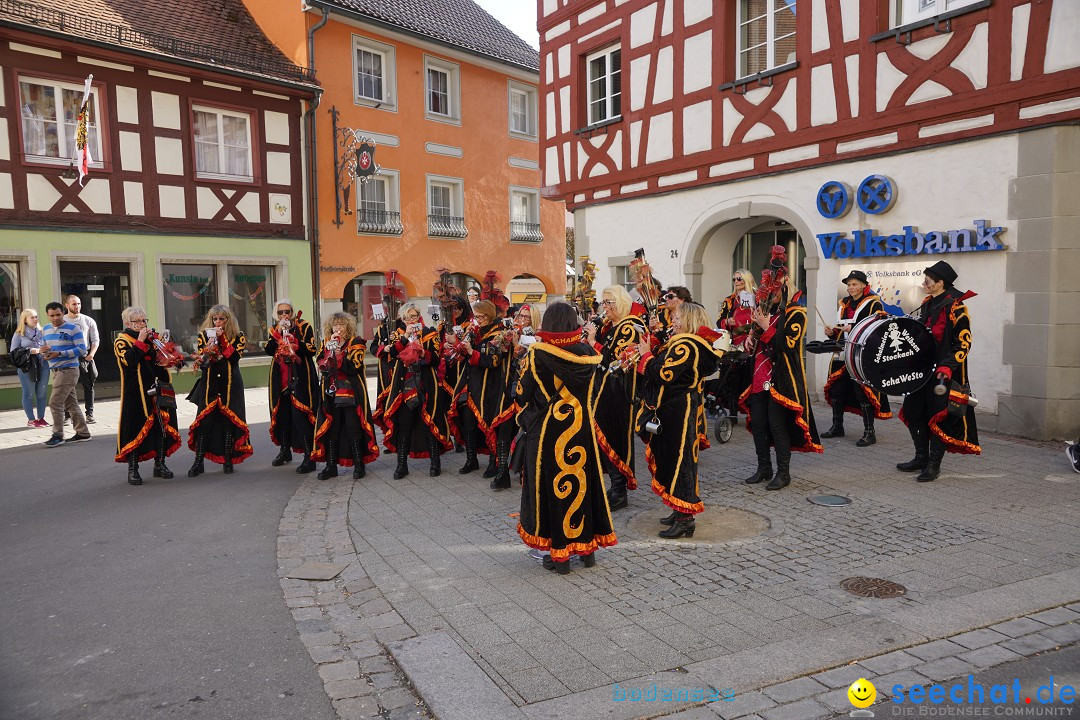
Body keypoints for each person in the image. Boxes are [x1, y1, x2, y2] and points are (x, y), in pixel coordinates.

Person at [516, 302, 616, 574]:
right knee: (584, 484)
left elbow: (520, 393)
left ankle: (558, 557)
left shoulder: (537, 354)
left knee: (551, 489)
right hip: (581, 428)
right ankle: (587, 551)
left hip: (549, 432)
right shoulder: (588, 353)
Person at [630, 302, 722, 538]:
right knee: (671, 459)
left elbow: (664, 373)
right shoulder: (683, 343)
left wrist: (646, 356)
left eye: (678, 318)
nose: (673, 321)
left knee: (679, 462)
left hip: (677, 411)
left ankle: (685, 519)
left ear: (690, 320)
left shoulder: (687, 345)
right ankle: (677, 508)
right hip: (674, 409)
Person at [898, 260, 980, 482]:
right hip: (923, 371)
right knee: (914, 411)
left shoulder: (957, 307)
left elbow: (964, 343)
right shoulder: (927, 304)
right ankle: (920, 457)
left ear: (940, 283)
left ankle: (933, 465)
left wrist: (947, 366)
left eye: (928, 280)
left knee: (938, 417)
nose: (924, 283)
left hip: (944, 373)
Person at [739, 276, 823, 491]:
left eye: (774, 292)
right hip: (760, 376)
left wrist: (766, 327)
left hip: (780, 378)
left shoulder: (796, 313)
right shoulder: (766, 310)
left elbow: (788, 345)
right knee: (758, 423)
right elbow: (760, 341)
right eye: (767, 291)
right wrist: (751, 338)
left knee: (777, 425)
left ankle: (783, 473)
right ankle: (764, 467)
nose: (769, 295)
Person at [374, 303, 453, 479]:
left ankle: (435, 463)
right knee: (404, 425)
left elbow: (436, 358)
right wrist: (406, 337)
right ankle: (401, 465)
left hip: (425, 382)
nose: (412, 320)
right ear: (403, 319)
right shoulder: (397, 334)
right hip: (404, 384)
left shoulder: (429, 332)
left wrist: (423, 353)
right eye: (408, 317)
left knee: (429, 423)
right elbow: (392, 354)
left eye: (415, 316)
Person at [584, 285, 645, 511]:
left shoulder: (629, 327)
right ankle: (614, 486)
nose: (605, 307)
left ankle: (620, 491)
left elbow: (614, 360)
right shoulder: (611, 326)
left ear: (620, 303)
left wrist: (593, 342)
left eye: (609, 302)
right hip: (603, 388)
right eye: (604, 302)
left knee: (615, 438)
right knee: (604, 438)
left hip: (618, 392)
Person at [448, 300, 516, 487]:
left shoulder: (500, 332)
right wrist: (458, 346)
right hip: (472, 382)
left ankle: (496, 464)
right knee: (468, 422)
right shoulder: (475, 330)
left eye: (480, 316)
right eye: (475, 316)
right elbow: (464, 354)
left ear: (489, 315)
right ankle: (472, 459)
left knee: (490, 422)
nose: (477, 320)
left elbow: (492, 361)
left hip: (492, 385)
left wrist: (471, 352)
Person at [821, 270, 892, 446]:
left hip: (862, 354)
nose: (851, 288)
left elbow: (878, 328)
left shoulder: (874, 305)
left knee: (862, 391)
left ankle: (870, 432)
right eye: (849, 285)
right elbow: (840, 328)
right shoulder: (844, 304)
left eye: (854, 284)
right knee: (836, 389)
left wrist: (853, 329)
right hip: (842, 351)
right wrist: (833, 332)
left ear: (863, 285)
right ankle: (837, 426)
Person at [114, 306, 182, 485]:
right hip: (136, 392)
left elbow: (166, 356)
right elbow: (129, 360)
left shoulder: (153, 337)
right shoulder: (121, 341)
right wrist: (141, 341)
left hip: (158, 387)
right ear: (129, 323)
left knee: (161, 425)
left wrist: (171, 355)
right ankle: (133, 469)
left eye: (145, 320)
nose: (144, 324)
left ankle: (160, 464)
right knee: (135, 428)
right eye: (140, 321)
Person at [313, 312, 380, 480]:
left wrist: (338, 353)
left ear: (348, 326)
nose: (338, 328)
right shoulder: (326, 343)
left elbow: (354, 367)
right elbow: (321, 363)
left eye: (342, 325)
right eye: (335, 325)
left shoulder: (355, 343)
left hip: (350, 392)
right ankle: (331, 466)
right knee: (332, 428)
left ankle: (359, 464)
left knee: (353, 427)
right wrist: (329, 354)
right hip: (331, 392)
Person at [187, 305, 252, 476]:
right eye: (215, 319)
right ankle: (198, 461)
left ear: (228, 320)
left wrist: (222, 340)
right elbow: (203, 359)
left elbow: (235, 358)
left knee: (228, 423)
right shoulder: (203, 335)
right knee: (204, 423)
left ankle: (228, 461)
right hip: (210, 385)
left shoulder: (238, 336)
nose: (217, 322)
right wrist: (208, 349)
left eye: (221, 319)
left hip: (230, 384)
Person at [265, 299, 320, 473]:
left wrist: (296, 344)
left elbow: (312, 349)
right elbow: (268, 350)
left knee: (301, 416)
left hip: (300, 376)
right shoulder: (274, 330)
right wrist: (279, 334)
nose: (284, 315)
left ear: (293, 312)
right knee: (282, 415)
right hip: (280, 378)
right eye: (280, 312)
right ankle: (284, 450)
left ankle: (309, 456)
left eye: (287, 311)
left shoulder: (304, 326)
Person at [41, 302, 90, 447]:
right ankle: (83, 432)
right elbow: (46, 349)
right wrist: (45, 353)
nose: (55, 318)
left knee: (55, 402)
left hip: (68, 369)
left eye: (58, 314)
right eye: (52, 315)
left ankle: (58, 435)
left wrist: (60, 353)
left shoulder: (73, 328)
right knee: (71, 404)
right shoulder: (46, 329)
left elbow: (82, 349)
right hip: (55, 371)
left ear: (63, 313)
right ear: (48, 315)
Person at [64, 295, 100, 424]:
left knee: (88, 386)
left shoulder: (88, 320)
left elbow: (95, 339)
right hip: (68, 358)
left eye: (78, 304)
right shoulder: (62, 321)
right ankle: (67, 415)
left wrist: (91, 355)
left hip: (84, 357)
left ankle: (89, 414)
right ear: (67, 305)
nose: (77, 306)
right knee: (68, 387)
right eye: (74, 304)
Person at [10, 308, 48, 428]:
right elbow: (13, 352)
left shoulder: (42, 332)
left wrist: (47, 350)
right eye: (32, 317)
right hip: (27, 367)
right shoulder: (19, 334)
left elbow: (47, 346)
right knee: (29, 394)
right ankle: (31, 420)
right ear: (25, 320)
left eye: (36, 316)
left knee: (42, 393)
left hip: (43, 364)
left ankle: (41, 418)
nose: (35, 319)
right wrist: (32, 351)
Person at [717, 269, 757, 349]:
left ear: (747, 280)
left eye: (739, 279)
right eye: (734, 279)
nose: (736, 281)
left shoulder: (758, 297)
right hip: (736, 340)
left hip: (755, 338)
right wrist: (727, 321)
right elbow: (719, 322)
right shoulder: (729, 300)